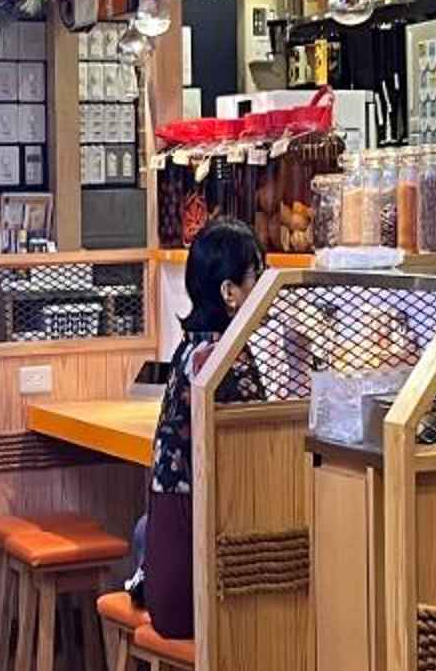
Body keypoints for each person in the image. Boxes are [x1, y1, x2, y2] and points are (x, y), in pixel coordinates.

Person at [139, 218, 264, 639]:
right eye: (257, 275)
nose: (266, 286)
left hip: (169, 570)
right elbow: (257, 447)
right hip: (194, 591)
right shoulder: (220, 359)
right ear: (230, 292)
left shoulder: (193, 348)